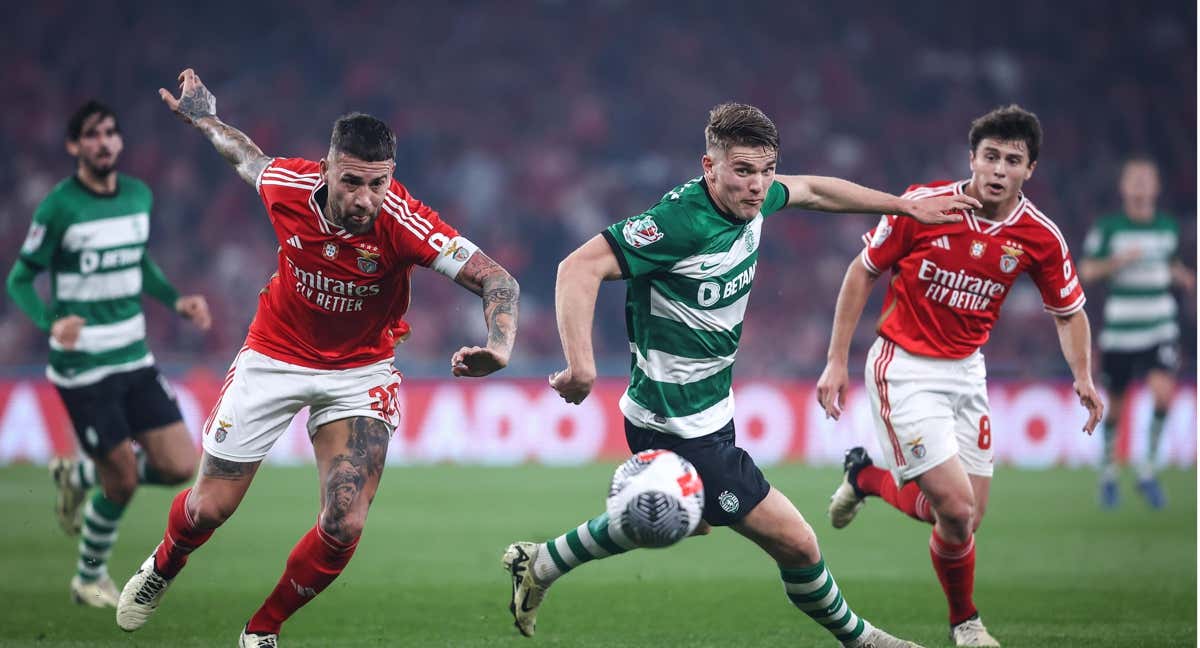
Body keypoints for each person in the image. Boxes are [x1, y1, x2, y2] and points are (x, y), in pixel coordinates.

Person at [502, 102, 978, 648]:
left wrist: (904, 208)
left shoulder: (756, 201)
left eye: (766, 171)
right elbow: (577, 268)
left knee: (681, 516)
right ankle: (864, 641)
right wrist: (582, 365)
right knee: (798, 543)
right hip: (676, 423)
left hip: (710, 411)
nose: (758, 186)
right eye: (743, 171)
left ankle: (539, 563)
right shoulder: (677, 223)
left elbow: (817, 192)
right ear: (710, 167)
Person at [115, 69, 520, 647]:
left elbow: (496, 278)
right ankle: (162, 566)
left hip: (360, 370)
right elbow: (247, 157)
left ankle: (262, 630)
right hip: (273, 355)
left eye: (378, 184)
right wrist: (204, 117)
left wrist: (500, 346)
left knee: (345, 519)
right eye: (352, 182)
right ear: (327, 168)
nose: (365, 199)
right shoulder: (287, 187)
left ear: (391, 178)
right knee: (208, 510)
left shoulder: (404, 223)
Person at [817, 105, 1104, 647]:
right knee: (956, 505)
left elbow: (1068, 312)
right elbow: (862, 272)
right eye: (989, 156)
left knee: (963, 523)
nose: (998, 169)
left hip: (968, 372)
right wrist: (836, 360)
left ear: (1029, 170)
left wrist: (1083, 377)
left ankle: (866, 478)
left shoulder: (1039, 236)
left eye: (1011, 160)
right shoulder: (923, 206)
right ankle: (966, 625)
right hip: (903, 367)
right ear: (971, 159)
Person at [5, 100, 210, 608]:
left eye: (111, 133)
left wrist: (174, 300)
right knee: (120, 478)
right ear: (75, 146)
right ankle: (88, 578)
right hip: (84, 368)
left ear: (120, 142)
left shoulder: (138, 197)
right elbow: (21, 278)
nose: (104, 142)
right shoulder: (59, 207)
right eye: (92, 135)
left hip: (134, 358)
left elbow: (137, 262)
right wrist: (54, 323)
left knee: (181, 465)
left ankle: (77, 474)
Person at [1079, 157, 1194, 509]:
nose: (1142, 185)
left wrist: (1184, 276)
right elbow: (1086, 269)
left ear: (1157, 187)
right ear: (1124, 187)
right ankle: (1109, 473)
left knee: (1162, 394)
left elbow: (1170, 263)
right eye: (1136, 179)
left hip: (1160, 325)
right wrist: (1116, 262)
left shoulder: (1167, 227)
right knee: (1115, 408)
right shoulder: (1110, 228)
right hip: (1121, 330)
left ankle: (1147, 470)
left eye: (1148, 179)